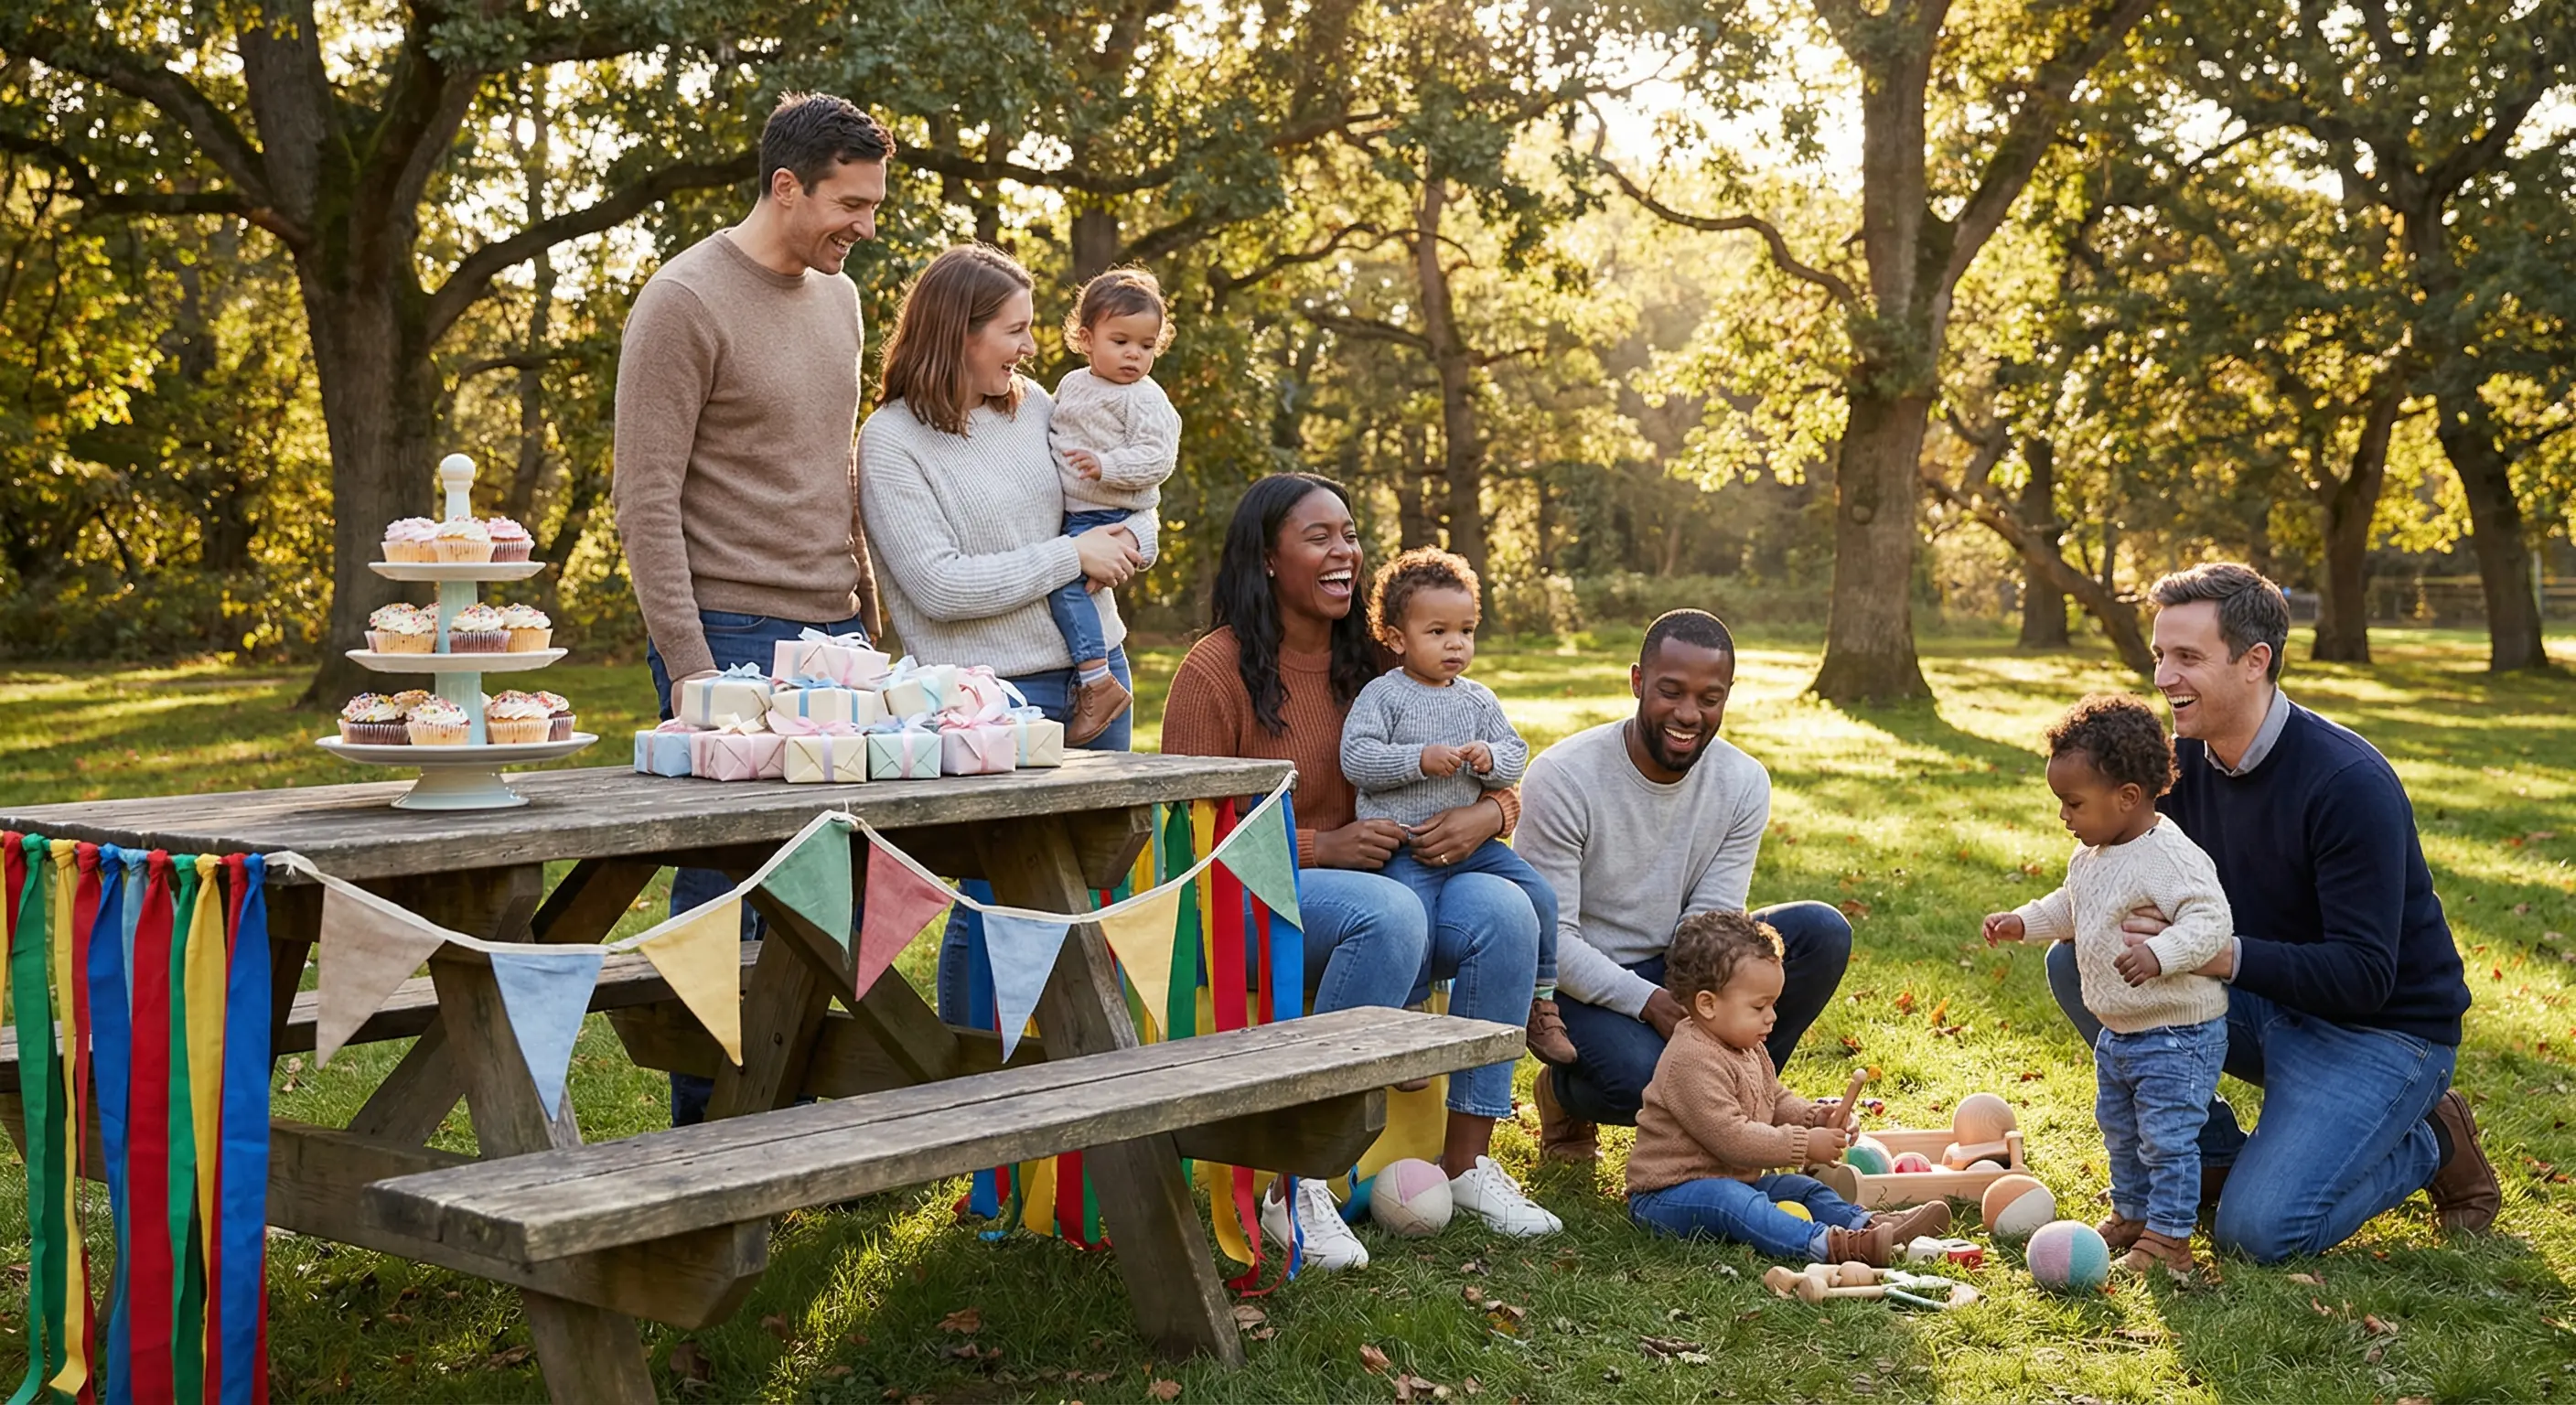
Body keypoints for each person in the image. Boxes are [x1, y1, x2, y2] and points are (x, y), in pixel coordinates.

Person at [2042, 563, 2497, 1262]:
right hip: (2257, 1001)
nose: (2164, 677)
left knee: (2258, 1235)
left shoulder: (2346, 783)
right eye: (2161, 655)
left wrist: (2211, 954)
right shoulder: (2177, 766)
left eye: (2187, 657)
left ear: (2255, 661)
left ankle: (2432, 1140)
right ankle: (2215, 1153)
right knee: (2078, 958)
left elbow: (2366, 975)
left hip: (2378, 1031)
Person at [1161, 474, 1561, 1268]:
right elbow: (1187, 834)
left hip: (1396, 879)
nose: (1344, 550)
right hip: (1249, 897)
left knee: (1507, 915)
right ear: (1268, 558)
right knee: (1390, 914)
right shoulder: (1215, 672)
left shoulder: (1388, 658)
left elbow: (1496, 765)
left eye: (1349, 533)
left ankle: (1468, 1162)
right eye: (1319, 537)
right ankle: (1293, 1182)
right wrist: (1322, 847)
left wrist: (1488, 816)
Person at [612, 91, 892, 1126]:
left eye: (871, 205)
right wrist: (686, 660)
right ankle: (708, 1136)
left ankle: (806, 1125)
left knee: (843, 895)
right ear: (786, 186)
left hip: (837, 634)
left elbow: (833, 468)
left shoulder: (842, 300)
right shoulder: (682, 300)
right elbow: (643, 498)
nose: (864, 227)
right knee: (728, 895)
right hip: (724, 636)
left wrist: (865, 617)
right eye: (850, 205)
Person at [857, 245, 1157, 1024]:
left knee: (1094, 888)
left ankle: (1082, 1067)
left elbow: (1119, 496)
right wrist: (1070, 555)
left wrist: (1131, 546)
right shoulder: (890, 442)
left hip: (1099, 674)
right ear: (959, 332)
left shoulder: (1037, 409)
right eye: (1014, 331)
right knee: (996, 899)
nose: (1031, 348)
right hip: (988, 699)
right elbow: (936, 585)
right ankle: (974, 1076)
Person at [1517, 610, 1853, 1164]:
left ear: (1727, 696)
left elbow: (1712, 925)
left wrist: (1704, 1013)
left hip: (1683, 965)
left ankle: (1742, 1104)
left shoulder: (1743, 782)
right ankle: (1560, 1094)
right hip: (1583, 984)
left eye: (1709, 697)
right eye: (1670, 692)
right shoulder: (1563, 778)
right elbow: (1552, 942)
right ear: (1637, 682)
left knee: (1821, 932)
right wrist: (1651, 1004)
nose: (1688, 714)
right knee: (1643, 1078)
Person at [1985, 695, 2230, 1277]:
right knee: (2122, 1130)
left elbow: (2210, 921)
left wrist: (2159, 953)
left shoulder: (2168, 857)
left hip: (2177, 1033)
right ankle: (2132, 1213)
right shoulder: (2093, 854)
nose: (2064, 816)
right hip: (2121, 1031)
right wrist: (2024, 921)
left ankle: (2170, 1237)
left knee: (2168, 1140)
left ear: (2127, 797)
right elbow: (2072, 906)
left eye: (2073, 803)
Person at [1340, 546, 1572, 1066]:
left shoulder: (1478, 700)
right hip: (1407, 845)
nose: (1455, 645)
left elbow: (1515, 754)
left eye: (1465, 631)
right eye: (1438, 631)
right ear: (1398, 639)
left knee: (1540, 894)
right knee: (1410, 923)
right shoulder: (1384, 696)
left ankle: (1540, 1003)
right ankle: (1410, 1017)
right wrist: (1418, 760)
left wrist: (1489, 759)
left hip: (1474, 847)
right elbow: (1357, 758)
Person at [1626, 911, 1950, 1265]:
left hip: (1735, 1181)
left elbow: (1775, 1099)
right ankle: (1830, 1246)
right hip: (1669, 1195)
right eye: (1759, 1006)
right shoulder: (1690, 1060)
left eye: (1773, 1004)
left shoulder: (1746, 1045)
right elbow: (1731, 1138)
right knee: (1731, 1201)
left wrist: (1815, 1117)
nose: (1772, 1017)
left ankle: (1869, 1226)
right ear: (1708, 1004)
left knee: (1801, 1189)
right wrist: (1803, 1144)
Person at [1044, 268, 1183, 743]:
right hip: (1075, 513)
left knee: (1067, 588)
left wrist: (1107, 466)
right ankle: (1094, 677)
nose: (1133, 355)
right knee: (1066, 587)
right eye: (1120, 341)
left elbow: (1157, 458)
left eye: (1146, 346)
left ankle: (1097, 680)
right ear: (1086, 338)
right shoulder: (1070, 385)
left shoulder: (1144, 398)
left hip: (1109, 514)